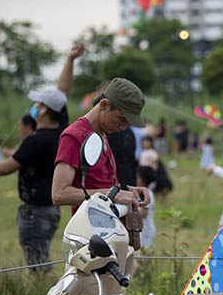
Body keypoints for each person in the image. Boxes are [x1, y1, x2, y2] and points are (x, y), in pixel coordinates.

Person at [0, 87, 71, 269]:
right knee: (42, 259)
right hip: (51, 210)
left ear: (44, 110)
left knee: (39, 266)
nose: (34, 107)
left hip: (35, 212)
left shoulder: (35, 140)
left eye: (38, 104)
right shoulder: (61, 134)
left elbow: (8, 167)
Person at [52, 77, 151, 215]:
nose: (123, 127)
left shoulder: (103, 133)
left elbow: (97, 184)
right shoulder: (73, 136)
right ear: (104, 105)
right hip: (89, 229)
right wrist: (111, 194)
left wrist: (127, 191)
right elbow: (59, 194)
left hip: (109, 227)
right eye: (122, 119)